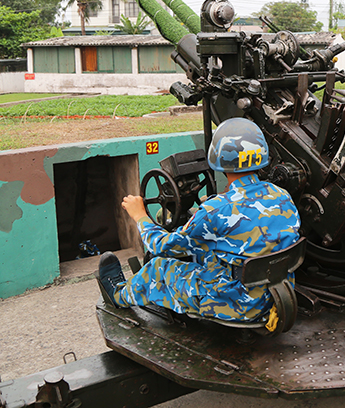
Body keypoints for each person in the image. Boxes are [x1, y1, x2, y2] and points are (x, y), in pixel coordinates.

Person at [96, 118, 301, 323]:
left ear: (219, 156)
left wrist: (140, 215)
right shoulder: (282, 195)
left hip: (239, 305)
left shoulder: (216, 210)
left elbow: (162, 247)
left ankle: (117, 295)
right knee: (202, 251)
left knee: (158, 267)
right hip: (276, 296)